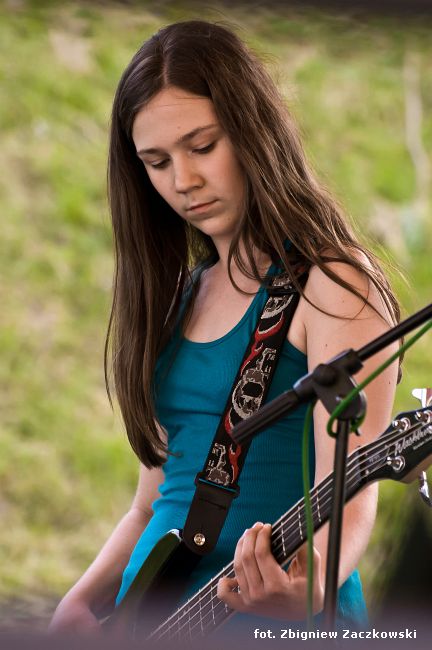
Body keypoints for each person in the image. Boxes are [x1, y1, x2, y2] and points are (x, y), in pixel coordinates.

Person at [49, 20, 400, 639]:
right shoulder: (179, 298)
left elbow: (352, 487)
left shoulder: (332, 282)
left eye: (202, 146)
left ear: (251, 130)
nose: (182, 181)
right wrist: (78, 602)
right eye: (157, 162)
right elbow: (153, 501)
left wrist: (313, 587)